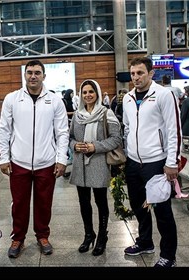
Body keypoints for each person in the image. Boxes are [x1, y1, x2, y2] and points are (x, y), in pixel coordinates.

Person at [0, 59, 69, 258]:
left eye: (37, 72)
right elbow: (4, 130)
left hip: (46, 162)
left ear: (44, 76)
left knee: (44, 202)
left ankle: (42, 236)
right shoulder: (12, 99)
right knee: (19, 202)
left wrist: (61, 159)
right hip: (18, 162)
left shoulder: (54, 100)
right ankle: (18, 237)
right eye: (29, 72)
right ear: (24, 75)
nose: (33, 76)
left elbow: (62, 132)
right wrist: (4, 157)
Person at [122, 56, 181, 267]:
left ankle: (168, 255)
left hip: (156, 162)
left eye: (140, 73)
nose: (136, 77)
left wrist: (172, 162)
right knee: (139, 207)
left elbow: (174, 130)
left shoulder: (164, 95)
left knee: (162, 211)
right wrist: (129, 152)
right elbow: (127, 127)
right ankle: (145, 242)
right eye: (133, 73)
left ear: (150, 74)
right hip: (133, 162)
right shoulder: (127, 98)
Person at [68, 79, 122, 256]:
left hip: (98, 164)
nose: (88, 95)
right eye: (84, 92)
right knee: (84, 202)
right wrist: (75, 145)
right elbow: (69, 138)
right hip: (80, 165)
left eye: (91, 92)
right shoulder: (77, 115)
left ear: (97, 93)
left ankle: (102, 237)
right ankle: (88, 234)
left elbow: (116, 139)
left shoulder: (107, 114)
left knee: (100, 202)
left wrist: (95, 146)